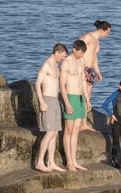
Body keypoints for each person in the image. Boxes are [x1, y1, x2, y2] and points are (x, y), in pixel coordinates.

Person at [34, 43, 69, 173]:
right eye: (63, 56)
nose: (64, 58)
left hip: (55, 100)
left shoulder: (56, 66)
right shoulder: (47, 65)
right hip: (47, 99)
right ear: (57, 52)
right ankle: (39, 162)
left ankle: (51, 162)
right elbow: (37, 84)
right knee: (49, 132)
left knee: (54, 133)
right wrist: (42, 102)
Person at [60, 39, 91, 172]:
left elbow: (83, 80)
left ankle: (74, 160)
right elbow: (62, 85)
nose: (81, 55)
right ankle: (69, 162)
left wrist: (87, 99)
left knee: (76, 130)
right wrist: (66, 103)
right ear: (74, 49)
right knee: (69, 130)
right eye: (80, 53)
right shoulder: (66, 63)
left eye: (83, 53)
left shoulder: (81, 61)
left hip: (79, 98)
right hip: (70, 97)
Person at [79, 20, 112, 131]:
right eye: (107, 32)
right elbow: (78, 47)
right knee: (84, 96)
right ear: (102, 30)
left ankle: (83, 122)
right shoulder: (88, 37)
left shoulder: (97, 42)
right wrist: (80, 66)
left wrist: (98, 72)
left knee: (88, 96)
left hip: (91, 70)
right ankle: (82, 123)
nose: (107, 35)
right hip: (83, 68)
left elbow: (94, 57)